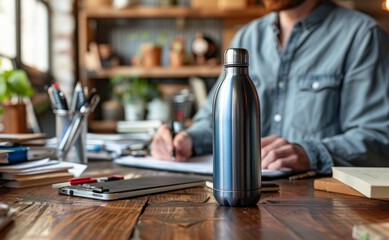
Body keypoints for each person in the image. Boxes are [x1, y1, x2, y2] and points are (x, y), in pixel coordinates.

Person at [151, 0, 389, 174]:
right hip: (240, 200)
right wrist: (186, 140)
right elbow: (215, 121)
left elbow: (378, 138)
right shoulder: (247, 38)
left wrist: (309, 154)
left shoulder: (362, 37)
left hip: (324, 210)